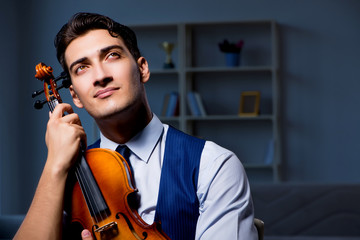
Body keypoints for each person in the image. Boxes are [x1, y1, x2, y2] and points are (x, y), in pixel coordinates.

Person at [14, 12, 258, 240]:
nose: (100, 76)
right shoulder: (70, 174)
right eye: (82, 67)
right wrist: (54, 166)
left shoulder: (214, 165)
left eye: (112, 55)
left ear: (142, 69)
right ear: (75, 96)